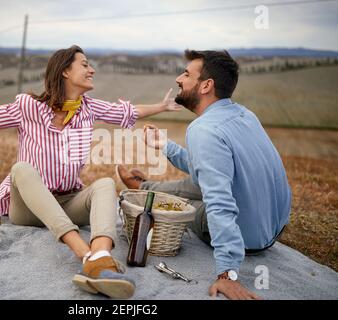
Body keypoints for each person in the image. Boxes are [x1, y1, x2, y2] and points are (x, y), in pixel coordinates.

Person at [0, 45, 181, 299]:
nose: (91, 69)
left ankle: (103, 257)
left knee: (106, 183)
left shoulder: (88, 108)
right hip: (29, 209)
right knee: (21, 169)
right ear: (65, 72)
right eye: (84, 64)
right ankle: (84, 255)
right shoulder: (28, 107)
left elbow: (127, 112)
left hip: (68, 201)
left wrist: (161, 106)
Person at [116, 49, 291, 300]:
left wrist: (227, 275)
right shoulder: (244, 114)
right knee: (202, 180)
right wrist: (165, 145)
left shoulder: (203, 130)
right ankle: (145, 186)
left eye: (187, 74)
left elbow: (220, 203)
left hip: (248, 238)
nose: (179, 78)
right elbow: (215, 168)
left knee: (183, 206)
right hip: (272, 224)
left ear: (206, 85)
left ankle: (144, 190)